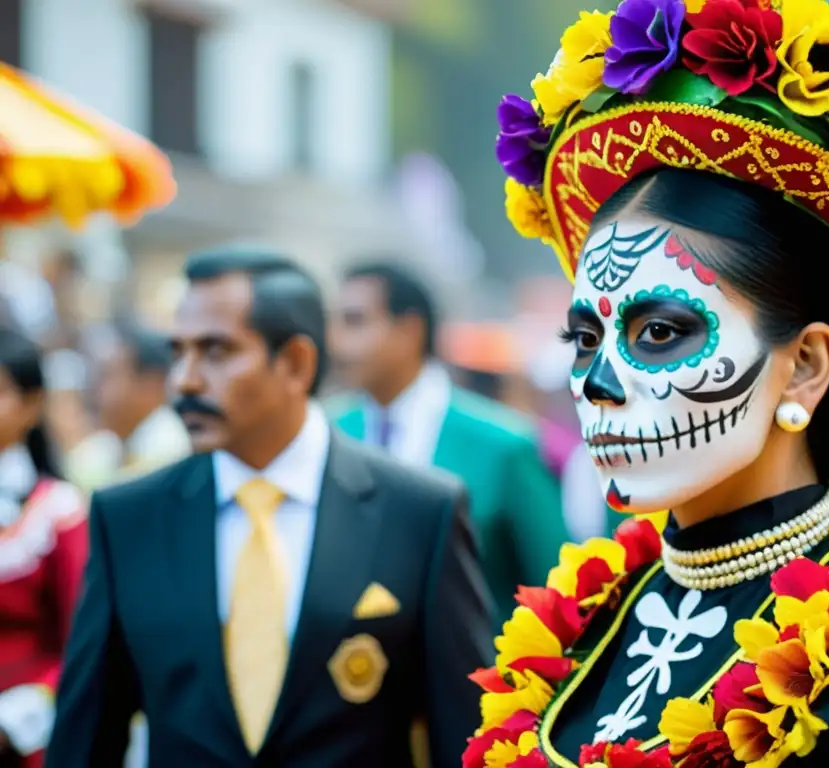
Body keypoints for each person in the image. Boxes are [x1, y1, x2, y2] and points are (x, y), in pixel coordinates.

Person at [465, 3, 829, 765]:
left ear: (807, 366)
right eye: (584, 339)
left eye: (660, 333)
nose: (596, 383)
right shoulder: (587, 625)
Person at [47, 247, 493, 767]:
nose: (184, 381)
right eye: (178, 352)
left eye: (215, 351)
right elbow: (84, 740)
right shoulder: (127, 518)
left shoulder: (419, 512)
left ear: (296, 363)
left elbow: (466, 736)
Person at [331, 262, 568, 624]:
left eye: (355, 321)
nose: (336, 342)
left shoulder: (503, 444)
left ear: (409, 330)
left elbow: (556, 588)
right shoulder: (329, 433)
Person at [0, 326, 88, 768]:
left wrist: (13, 718)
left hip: (26, 740)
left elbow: (83, 642)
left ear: (32, 405)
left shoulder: (57, 512)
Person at [64, 321, 190, 493]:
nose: (91, 388)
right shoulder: (108, 447)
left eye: (105, 375)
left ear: (152, 384)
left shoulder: (173, 451)